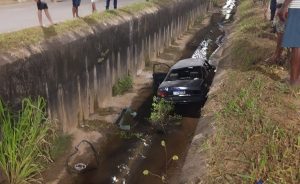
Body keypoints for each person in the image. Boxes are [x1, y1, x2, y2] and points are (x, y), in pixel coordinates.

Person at [278, 0, 300, 85]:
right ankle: (297, 77)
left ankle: (294, 80)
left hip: (296, 7)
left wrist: (284, 6)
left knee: (296, 44)